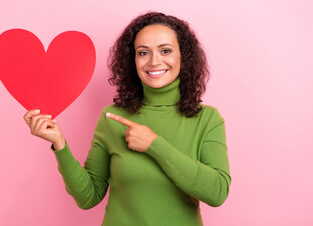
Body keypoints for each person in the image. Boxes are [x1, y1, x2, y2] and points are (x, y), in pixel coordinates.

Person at [23, 12, 231, 225]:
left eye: (165, 51)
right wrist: (59, 144)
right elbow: (88, 197)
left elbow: (217, 193)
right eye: (143, 53)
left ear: (183, 56)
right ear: (133, 60)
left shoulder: (207, 119)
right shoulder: (113, 116)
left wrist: (154, 145)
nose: (154, 61)